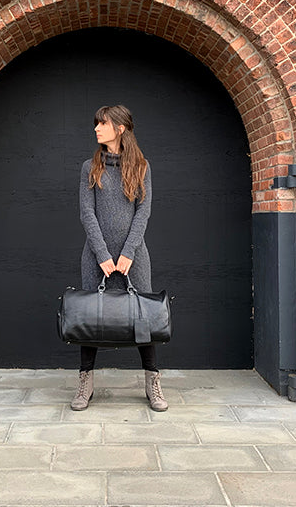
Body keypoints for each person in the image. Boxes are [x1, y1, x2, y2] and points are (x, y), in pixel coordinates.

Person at [71, 104, 167, 412]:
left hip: (134, 258)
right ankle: (86, 382)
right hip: (95, 257)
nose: (97, 129)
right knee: (90, 318)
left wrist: (128, 252)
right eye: (96, 123)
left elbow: (144, 211)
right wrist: (102, 254)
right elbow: (87, 213)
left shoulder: (141, 167)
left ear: (120, 128)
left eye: (103, 124)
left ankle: (152, 381)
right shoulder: (90, 167)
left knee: (143, 319)